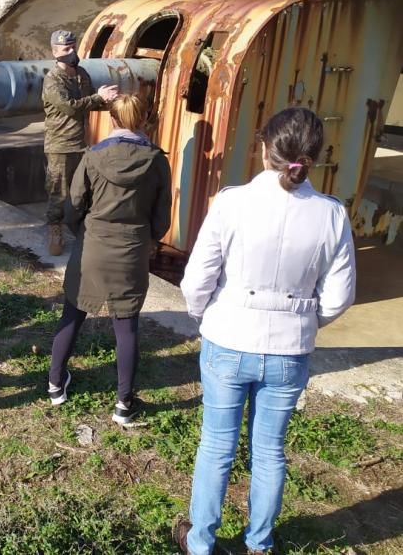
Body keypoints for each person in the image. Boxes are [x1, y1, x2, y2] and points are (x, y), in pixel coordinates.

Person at [173, 108, 356, 555]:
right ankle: (259, 543)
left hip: (228, 338)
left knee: (216, 446)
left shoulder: (231, 202)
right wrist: (304, 321)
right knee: (271, 450)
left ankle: (200, 542)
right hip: (289, 349)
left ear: (263, 148)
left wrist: (206, 316)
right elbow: (339, 297)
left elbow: (197, 280)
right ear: (314, 157)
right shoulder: (332, 215)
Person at [47, 93, 171, 426]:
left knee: (72, 314)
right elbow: (162, 218)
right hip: (131, 250)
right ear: (143, 120)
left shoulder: (92, 156)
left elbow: (74, 205)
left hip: (92, 246)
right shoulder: (157, 161)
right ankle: (123, 405)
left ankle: (56, 385)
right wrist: (149, 240)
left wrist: (83, 232)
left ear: (112, 120)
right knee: (126, 327)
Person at [43, 29, 119, 256]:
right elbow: (70, 106)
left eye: (73, 47)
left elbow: (89, 102)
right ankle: (55, 229)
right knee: (58, 191)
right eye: (66, 49)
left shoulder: (81, 74)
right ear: (56, 52)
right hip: (60, 145)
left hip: (81, 143)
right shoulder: (52, 80)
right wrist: (98, 98)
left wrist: (108, 101)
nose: (71, 53)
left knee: (83, 189)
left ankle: (79, 227)